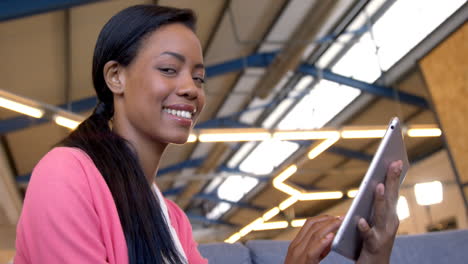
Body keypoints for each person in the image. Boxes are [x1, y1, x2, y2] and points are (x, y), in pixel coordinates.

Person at [14, 4, 402, 264]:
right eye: (169, 70)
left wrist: (372, 258)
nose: (191, 89)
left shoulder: (173, 221)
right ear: (116, 76)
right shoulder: (66, 175)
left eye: (199, 78)